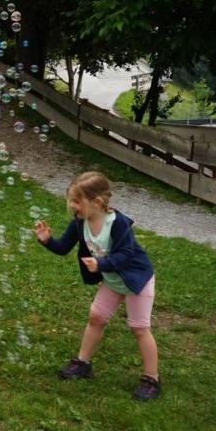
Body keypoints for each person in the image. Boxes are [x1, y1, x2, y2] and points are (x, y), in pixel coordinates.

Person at [33, 171, 161, 401]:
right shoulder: (79, 224)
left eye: (76, 201)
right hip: (112, 281)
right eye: (70, 201)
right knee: (96, 317)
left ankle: (151, 378)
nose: (72, 206)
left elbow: (126, 255)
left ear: (97, 202)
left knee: (139, 328)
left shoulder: (118, 224)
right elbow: (63, 247)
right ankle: (83, 363)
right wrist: (47, 241)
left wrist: (101, 264)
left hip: (136, 281)